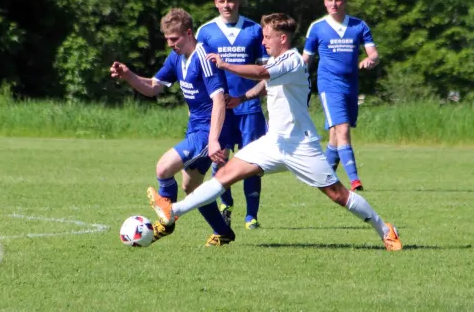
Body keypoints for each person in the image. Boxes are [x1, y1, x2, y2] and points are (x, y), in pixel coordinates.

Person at [146, 13, 402, 251]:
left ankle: (384, 228)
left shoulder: (292, 60)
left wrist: (225, 65)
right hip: (272, 143)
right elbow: (265, 84)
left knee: (338, 194)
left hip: (300, 145)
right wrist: (241, 98)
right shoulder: (277, 60)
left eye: (267, 37)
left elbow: (261, 73)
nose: (263, 41)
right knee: (224, 175)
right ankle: (174, 210)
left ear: (282, 38)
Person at [110, 8, 236, 246]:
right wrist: (128, 76)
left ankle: (166, 223)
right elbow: (153, 87)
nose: (170, 44)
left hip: (209, 130)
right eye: (167, 39)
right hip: (195, 127)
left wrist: (213, 140)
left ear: (189, 33)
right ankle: (223, 232)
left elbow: (219, 100)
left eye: (174, 39)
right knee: (192, 188)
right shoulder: (177, 57)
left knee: (163, 168)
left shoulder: (204, 57)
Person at [195, 0, 269, 230]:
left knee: (252, 164)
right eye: (222, 1)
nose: (227, 5)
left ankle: (252, 217)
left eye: (231, 0)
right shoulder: (205, 32)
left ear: (238, 1)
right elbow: (199, 74)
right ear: (215, 3)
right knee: (220, 160)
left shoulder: (255, 30)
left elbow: (266, 73)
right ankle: (225, 204)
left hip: (249, 110)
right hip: (221, 111)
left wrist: (248, 96)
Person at [302, 0, 380, 192]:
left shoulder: (358, 26)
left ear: (344, 1)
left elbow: (373, 53)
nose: (334, 4)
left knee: (336, 135)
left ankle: (325, 176)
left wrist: (371, 60)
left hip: (351, 86)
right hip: (329, 85)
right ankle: (355, 180)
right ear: (325, 2)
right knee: (342, 129)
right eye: (330, 0)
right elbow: (305, 60)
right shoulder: (317, 27)